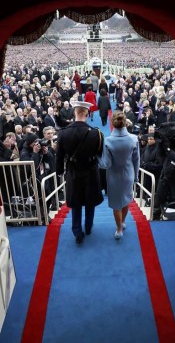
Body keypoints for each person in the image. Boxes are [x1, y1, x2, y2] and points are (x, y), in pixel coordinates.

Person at [55, 100, 104, 244]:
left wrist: (59, 172)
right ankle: (88, 227)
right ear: (87, 114)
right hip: (90, 171)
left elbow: (59, 156)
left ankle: (77, 231)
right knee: (90, 202)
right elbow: (99, 153)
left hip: (73, 172)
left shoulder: (63, 133)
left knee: (76, 202)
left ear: (74, 113)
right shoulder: (96, 133)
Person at [98, 111, 140, 240]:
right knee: (126, 200)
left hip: (114, 176)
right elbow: (136, 159)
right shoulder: (134, 138)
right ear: (125, 122)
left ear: (112, 124)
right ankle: (122, 222)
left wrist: (96, 158)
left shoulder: (108, 141)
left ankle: (119, 229)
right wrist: (136, 176)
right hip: (129, 174)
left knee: (116, 204)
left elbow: (106, 164)